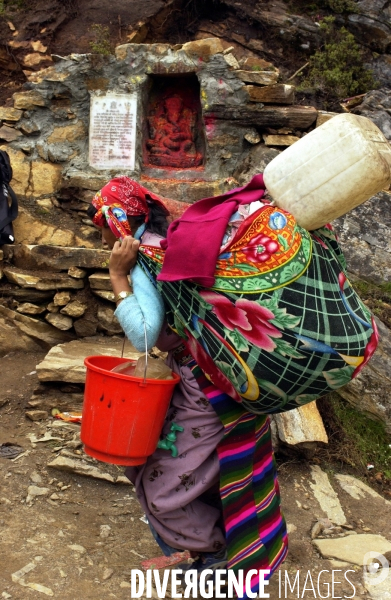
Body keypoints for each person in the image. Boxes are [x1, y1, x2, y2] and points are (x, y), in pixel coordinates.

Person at [88, 174, 377, 595]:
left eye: (101, 225)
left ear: (117, 221)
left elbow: (146, 332)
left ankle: (220, 559)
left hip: (206, 391)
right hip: (232, 382)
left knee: (163, 486)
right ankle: (227, 553)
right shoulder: (176, 239)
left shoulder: (148, 256)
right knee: (223, 472)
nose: (100, 236)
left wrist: (119, 277)